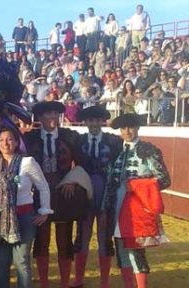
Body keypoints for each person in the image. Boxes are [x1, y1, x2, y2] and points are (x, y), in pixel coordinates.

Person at [22, 101, 90, 288]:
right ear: (40, 118)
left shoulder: (70, 137)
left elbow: (82, 163)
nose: (52, 117)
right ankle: (44, 283)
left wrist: (73, 179)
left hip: (62, 192)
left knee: (64, 239)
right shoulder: (30, 138)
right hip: (38, 193)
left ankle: (64, 283)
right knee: (41, 239)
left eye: (55, 113)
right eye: (47, 114)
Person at [102, 113, 170, 288]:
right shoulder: (116, 150)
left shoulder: (148, 150)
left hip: (137, 209)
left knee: (137, 253)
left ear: (138, 128)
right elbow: (110, 181)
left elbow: (164, 179)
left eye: (131, 127)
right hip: (116, 206)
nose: (127, 131)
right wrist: (105, 208)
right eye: (123, 128)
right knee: (122, 251)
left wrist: (138, 185)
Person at [0, 127, 53, 288]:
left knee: (22, 262)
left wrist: (44, 211)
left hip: (25, 217)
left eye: (9, 139)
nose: (5, 143)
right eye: (1, 140)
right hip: (3, 218)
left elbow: (43, 186)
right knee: (1, 262)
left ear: (17, 142)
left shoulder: (28, 162)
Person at [70, 106, 122, 288]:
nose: (93, 124)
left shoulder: (114, 142)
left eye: (97, 120)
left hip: (105, 195)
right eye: (90, 120)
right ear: (85, 122)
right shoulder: (77, 141)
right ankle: (78, 279)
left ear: (102, 121)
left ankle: (104, 283)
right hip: (84, 196)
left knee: (104, 237)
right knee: (82, 237)